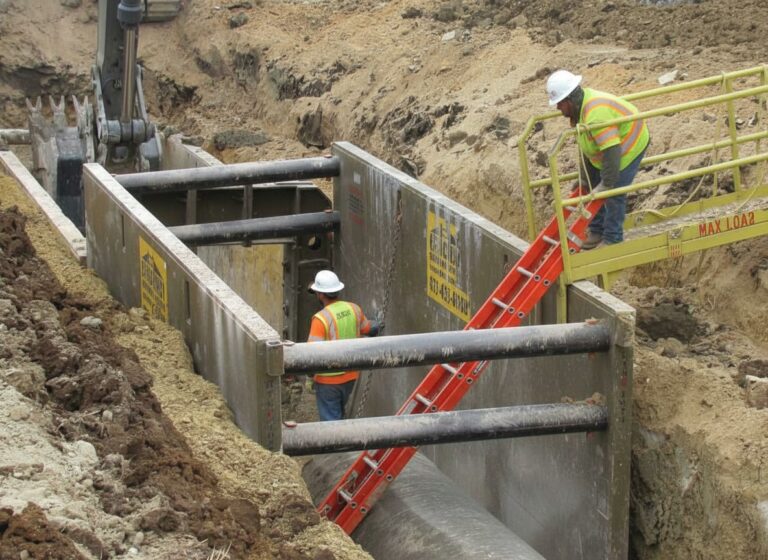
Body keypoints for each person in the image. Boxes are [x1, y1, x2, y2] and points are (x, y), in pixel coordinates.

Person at [546, 70, 650, 249]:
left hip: (630, 143)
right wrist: (585, 178)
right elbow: (587, 145)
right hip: (610, 146)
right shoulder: (580, 110)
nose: (558, 108)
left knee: (613, 191)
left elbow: (612, 151)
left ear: (570, 100)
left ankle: (612, 238)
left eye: (560, 103)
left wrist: (606, 184)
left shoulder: (595, 116)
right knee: (593, 182)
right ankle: (597, 230)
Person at [306, 270, 381, 421]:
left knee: (331, 423)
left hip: (328, 381)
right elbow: (368, 328)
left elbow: (311, 355)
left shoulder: (320, 319)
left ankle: (338, 436)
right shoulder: (354, 309)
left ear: (320, 294)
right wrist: (378, 324)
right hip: (350, 377)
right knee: (338, 413)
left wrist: (309, 376)